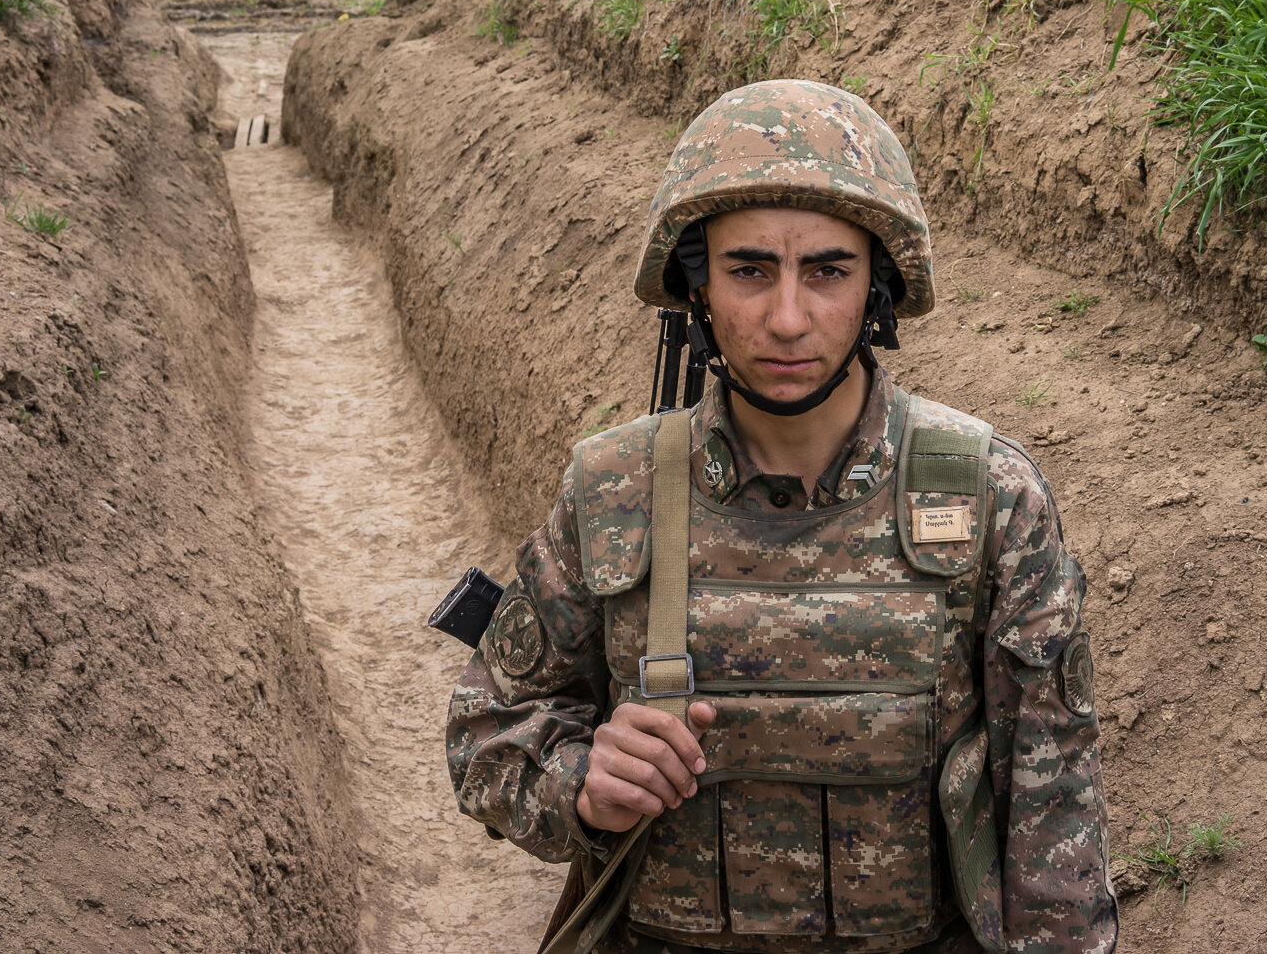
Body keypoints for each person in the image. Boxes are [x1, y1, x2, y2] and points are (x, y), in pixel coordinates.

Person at [446, 79, 1117, 954]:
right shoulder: (616, 489)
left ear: (877, 282)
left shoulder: (990, 498)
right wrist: (582, 781)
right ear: (698, 285)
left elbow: (1054, 821)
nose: (788, 318)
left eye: (828, 270)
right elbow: (485, 731)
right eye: (750, 269)